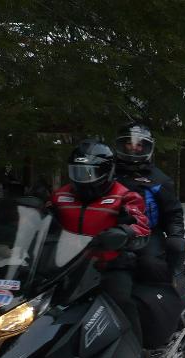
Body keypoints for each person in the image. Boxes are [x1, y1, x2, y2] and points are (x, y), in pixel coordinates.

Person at [50, 139, 150, 343]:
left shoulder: (124, 196)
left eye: (88, 173)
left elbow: (141, 226)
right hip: (65, 266)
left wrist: (123, 233)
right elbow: (41, 221)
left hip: (109, 265)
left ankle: (136, 353)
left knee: (120, 301)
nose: (82, 179)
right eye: (76, 172)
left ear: (106, 172)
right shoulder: (60, 196)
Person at [113, 122, 185, 283]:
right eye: (129, 143)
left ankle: (165, 299)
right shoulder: (108, 174)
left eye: (139, 145)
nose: (134, 148)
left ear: (147, 147)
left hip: (147, 234)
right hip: (109, 232)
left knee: (151, 266)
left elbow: (173, 212)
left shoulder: (158, 179)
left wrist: (175, 235)